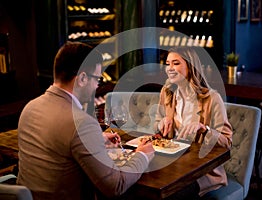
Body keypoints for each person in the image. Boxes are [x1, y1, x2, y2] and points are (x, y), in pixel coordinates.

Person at [17, 41, 155, 200]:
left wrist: (97, 138)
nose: (97, 85)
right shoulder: (81, 123)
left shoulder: (30, 108)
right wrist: (143, 156)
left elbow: (59, 144)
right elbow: (116, 185)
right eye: (97, 79)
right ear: (82, 78)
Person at [154, 46, 232, 199]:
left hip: (201, 172)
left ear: (190, 66)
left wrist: (205, 129)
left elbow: (227, 142)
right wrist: (162, 122)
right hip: (172, 165)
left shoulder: (212, 98)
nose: (170, 68)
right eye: (167, 63)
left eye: (176, 63)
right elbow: (157, 123)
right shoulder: (167, 92)